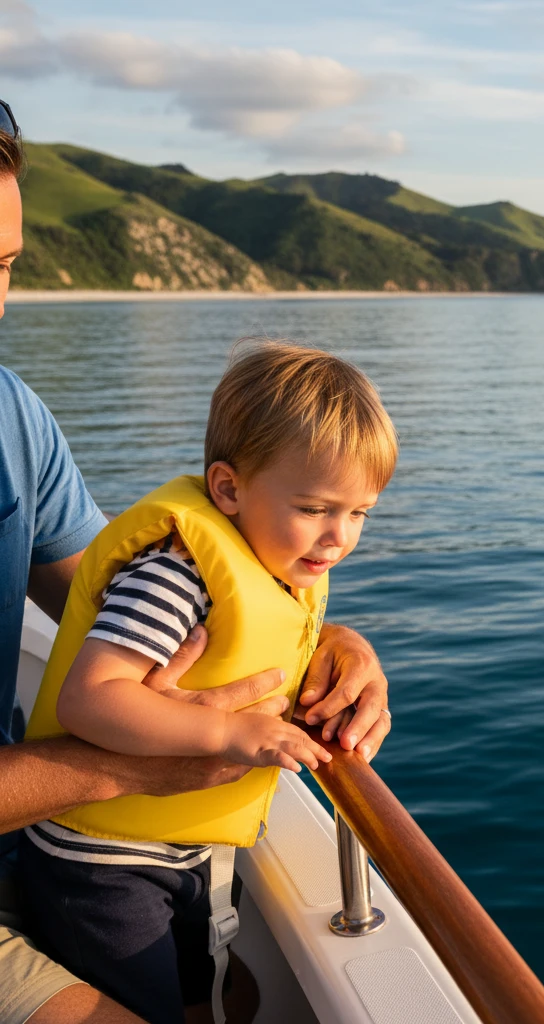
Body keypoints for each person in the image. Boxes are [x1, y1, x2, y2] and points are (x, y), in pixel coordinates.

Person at [0, 102, 392, 1024]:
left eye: (4, 267)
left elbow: (124, 593)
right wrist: (126, 766)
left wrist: (322, 637)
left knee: (240, 992)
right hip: (78, 845)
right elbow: (107, 692)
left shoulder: (12, 417)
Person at [18, 341, 398, 1024]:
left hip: (181, 849)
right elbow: (91, 696)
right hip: (100, 865)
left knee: (213, 998)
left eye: (359, 513)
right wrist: (226, 730)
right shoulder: (174, 574)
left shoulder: (275, 560)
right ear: (227, 489)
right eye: (315, 508)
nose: (338, 536)